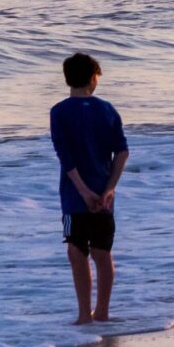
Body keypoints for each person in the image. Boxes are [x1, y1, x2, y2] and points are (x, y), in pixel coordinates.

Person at [50, 51, 129, 326]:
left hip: (74, 196)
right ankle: (103, 312)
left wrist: (83, 192)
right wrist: (110, 189)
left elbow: (66, 157)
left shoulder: (58, 112)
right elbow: (121, 153)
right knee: (102, 252)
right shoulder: (106, 109)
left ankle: (85, 314)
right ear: (93, 77)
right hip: (103, 193)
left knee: (76, 251)